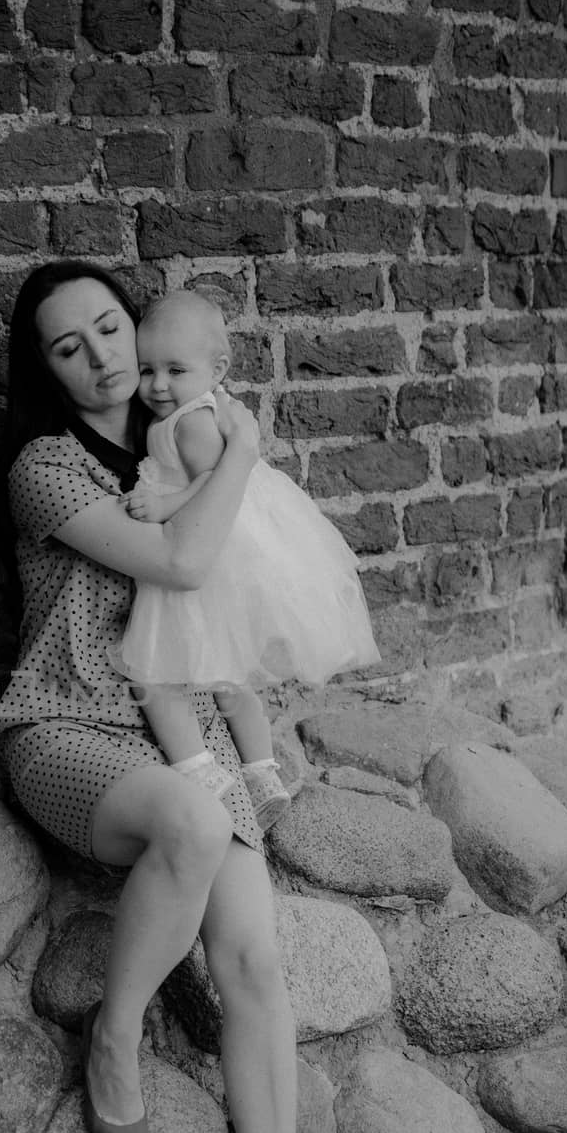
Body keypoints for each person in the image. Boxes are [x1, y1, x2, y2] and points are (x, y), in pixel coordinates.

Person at [0, 260, 313, 1133]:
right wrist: (249, 448)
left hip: (191, 730)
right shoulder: (46, 467)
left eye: (109, 327)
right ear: (43, 369)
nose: (100, 356)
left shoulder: (183, 432)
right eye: (66, 345)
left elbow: (239, 588)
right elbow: (180, 561)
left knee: (258, 964)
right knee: (189, 815)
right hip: (71, 725)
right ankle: (116, 1032)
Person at [115, 291, 379, 828]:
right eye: (147, 370)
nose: (158, 384)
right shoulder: (198, 408)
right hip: (217, 551)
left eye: (175, 369)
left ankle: (201, 772)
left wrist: (164, 503)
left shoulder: (192, 420)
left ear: (218, 369)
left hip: (204, 549)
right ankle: (261, 771)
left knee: (155, 674)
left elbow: (214, 480)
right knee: (230, 678)